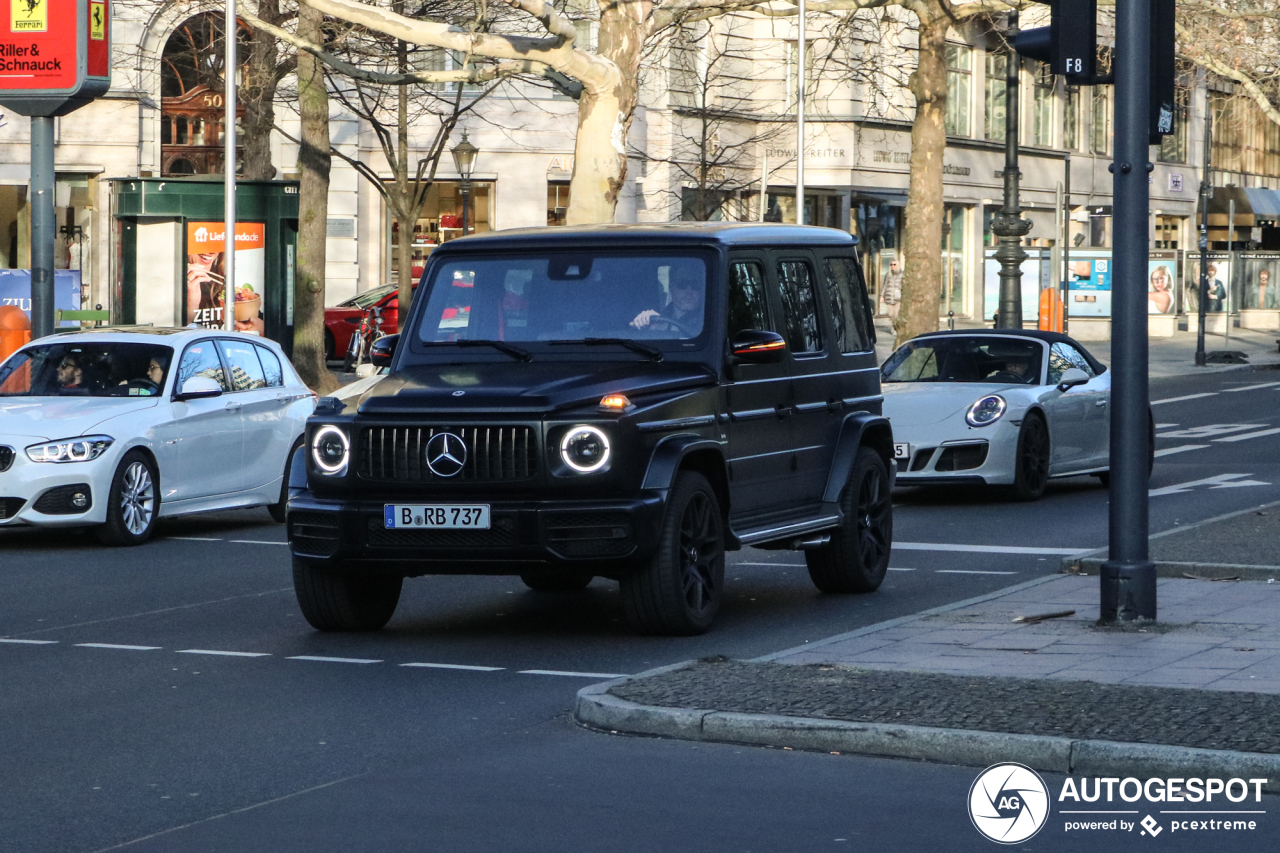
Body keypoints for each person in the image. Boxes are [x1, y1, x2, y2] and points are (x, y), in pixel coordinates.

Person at [630, 267, 705, 333]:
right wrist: (643, 323)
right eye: (682, 284)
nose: (689, 291)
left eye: (695, 284)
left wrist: (664, 327)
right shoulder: (658, 317)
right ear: (671, 288)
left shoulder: (711, 319)